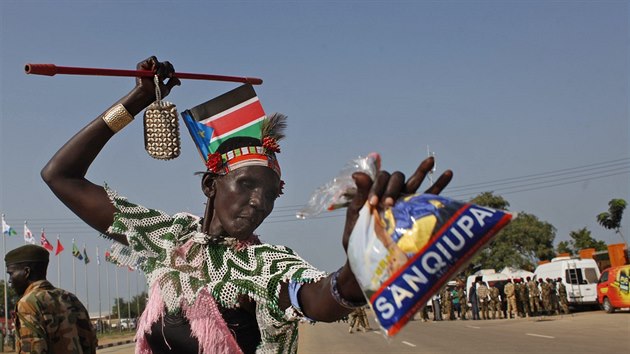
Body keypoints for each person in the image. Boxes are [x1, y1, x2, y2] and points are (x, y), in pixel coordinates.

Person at [40, 56, 453, 354]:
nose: (259, 202)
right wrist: (137, 100)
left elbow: (318, 299)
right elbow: (61, 175)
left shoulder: (265, 264)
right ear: (210, 186)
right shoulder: (167, 238)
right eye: (247, 185)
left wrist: (359, 269)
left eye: (271, 193)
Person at [5, 244, 97, 353]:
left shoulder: (28, 303)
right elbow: (90, 344)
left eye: (11, 274)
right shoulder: (71, 298)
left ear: (26, 272)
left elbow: (33, 350)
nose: (10, 280)